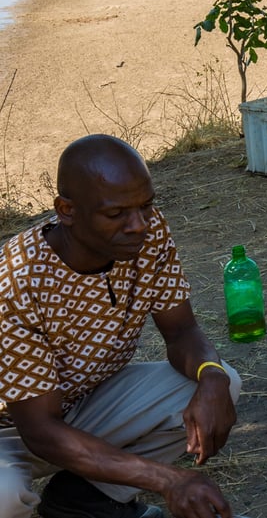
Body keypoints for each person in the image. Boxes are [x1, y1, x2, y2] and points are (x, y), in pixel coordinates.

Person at [0, 135, 243, 518]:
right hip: (14, 428)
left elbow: (181, 333)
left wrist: (211, 377)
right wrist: (168, 480)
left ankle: (81, 501)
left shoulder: (148, 232)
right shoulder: (16, 280)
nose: (139, 225)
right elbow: (41, 431)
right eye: (117, 214)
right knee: (4, 497)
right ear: (66, 210)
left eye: (146, 206)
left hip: (83, 401)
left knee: (221, 381)